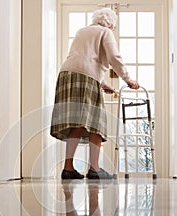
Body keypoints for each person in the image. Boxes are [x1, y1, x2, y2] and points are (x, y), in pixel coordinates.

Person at [50, 7, 139, 180]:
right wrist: (128, 80)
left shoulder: (81, 31)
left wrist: (102, 83)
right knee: (97, 123)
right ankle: (94, 169)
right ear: (111, 24)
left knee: (78, 122)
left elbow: (82, 59)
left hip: (67, 76)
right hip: (86, 77)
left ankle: (68, 169)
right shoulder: (106, 32)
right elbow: (114, 57)